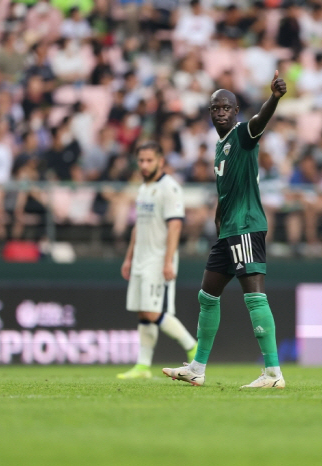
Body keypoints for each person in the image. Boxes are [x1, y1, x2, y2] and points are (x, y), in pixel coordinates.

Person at [163, 70, 288, 389]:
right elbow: (225, 194)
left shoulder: (242, 135)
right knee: (208, 296)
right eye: (215, 108)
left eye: (226, 107)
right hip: (228, 231)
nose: (220, 112)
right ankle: (197, 368)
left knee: (254, 297)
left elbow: (260, 120)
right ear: (210, 113)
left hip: (246, 226)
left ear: (235, 112)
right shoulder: (220, 147)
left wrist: (273, 98)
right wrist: (219, 226)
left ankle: (273, 373)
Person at [117, 141, 198, 380]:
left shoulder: (169, 188)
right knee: (143, 312)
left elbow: (175, 225)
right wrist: (128, 257)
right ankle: (143, 366)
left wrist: (168, 260)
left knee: (153, 312)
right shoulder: (142, 188)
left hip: (157, 257)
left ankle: (193, 347)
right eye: (141, 160)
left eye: (149, 160)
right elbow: (137, 227)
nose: (144, 165)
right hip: (140, 257)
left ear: (160, 161)